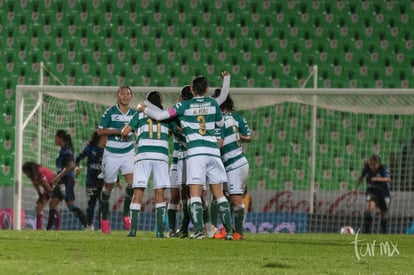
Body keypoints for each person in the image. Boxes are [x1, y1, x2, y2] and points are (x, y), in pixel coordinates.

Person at [137, 72, 234, 240]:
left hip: (196, 153)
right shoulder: (212, 102)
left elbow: (160, 116)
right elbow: (220, 114)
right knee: (219, 194)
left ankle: (197, 231)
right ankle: (230, 232)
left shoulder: (184, 106)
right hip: (213, 151)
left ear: (191, 89)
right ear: (207, 89)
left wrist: (143, 108)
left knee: (194, 192)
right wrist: (226, 78)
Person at [120, 91, 172, 238]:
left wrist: (133, 133)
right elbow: (173, 131)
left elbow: (125, 132)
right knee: (159, 193)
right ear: (161, 101)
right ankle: (160, 232)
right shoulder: (166, 115)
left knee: (138, 192)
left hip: (143, 155)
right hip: (161, 156)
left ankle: (133, 230)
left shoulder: (140, 114)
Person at [210, 90, 251, 240]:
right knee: (220, 197)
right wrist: (236, 136)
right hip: (230, 163)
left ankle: (238, 232)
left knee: (234, 198)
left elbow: (219, 143)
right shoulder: (237, 118)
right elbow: (248, 136)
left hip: (235, 163)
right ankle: (225, 230)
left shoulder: (219, 119)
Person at [97, 86, 136, 234]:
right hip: (112, 154)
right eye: (122, 94)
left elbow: (137, 129)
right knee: (108, 187)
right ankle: (105, 217)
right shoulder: (110, 112)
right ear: (118, 96)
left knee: (132, 184)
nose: (125, 96)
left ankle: (126, 215)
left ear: (131, 97)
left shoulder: (134, 114)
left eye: (128, 94)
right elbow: (100, 131)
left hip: (128, 153)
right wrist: (117, 131)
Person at [47, 129, 87, 230]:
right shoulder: (63, 150)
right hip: (61, 181)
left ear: (60, 137)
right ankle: (48, 230)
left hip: (66, 181)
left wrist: (58, 176)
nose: (54, 139)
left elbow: (70, 166)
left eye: (55, 137)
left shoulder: (67, 150)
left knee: (70, 205)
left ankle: (87, 224)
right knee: (52, 203)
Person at [167, 85, 193, 238]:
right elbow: (170, 131)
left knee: (191, 195)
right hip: (177, 158)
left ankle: (189, 227)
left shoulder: (195, 114)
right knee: (176, 195)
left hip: (192, 157)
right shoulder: (175, 113)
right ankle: (172, 229)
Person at [75, 131, 106, 231]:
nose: (108, 139)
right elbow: (78, 158)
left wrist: (117, 179)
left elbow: (112, 166)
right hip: (91, 181)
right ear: (101, 137)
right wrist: (77, 167)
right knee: (91, 205)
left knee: (103, 205)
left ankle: (103, 227)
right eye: (106, 137)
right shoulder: (90, 147)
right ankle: (89, 226)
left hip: (103, 182)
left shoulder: (108, 150)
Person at [355, 154, 391, 234]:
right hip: (371, 191)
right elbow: (361, 177)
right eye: (371, 164)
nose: (372, 166)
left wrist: (377, 178)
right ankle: (367, 231)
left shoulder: (383, 168)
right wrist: (356, 188)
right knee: (369, 208)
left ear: (378, 164)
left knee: (384, 212)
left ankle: (384, 231)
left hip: (383, 193)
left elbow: (388, 179)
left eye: (374, 164)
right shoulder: (366, 169)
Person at [22, 161, 61, 230]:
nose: (25, 174)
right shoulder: (32, 176)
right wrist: (40, 195)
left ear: (29, 170)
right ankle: (38, 229)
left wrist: (50, 193)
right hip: (48, 189)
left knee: (53, 207)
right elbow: (36, 186)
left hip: (55, 186)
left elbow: (45, 182)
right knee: (38, 208)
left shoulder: (39, 171)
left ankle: (57, 228)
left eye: (25, 172)